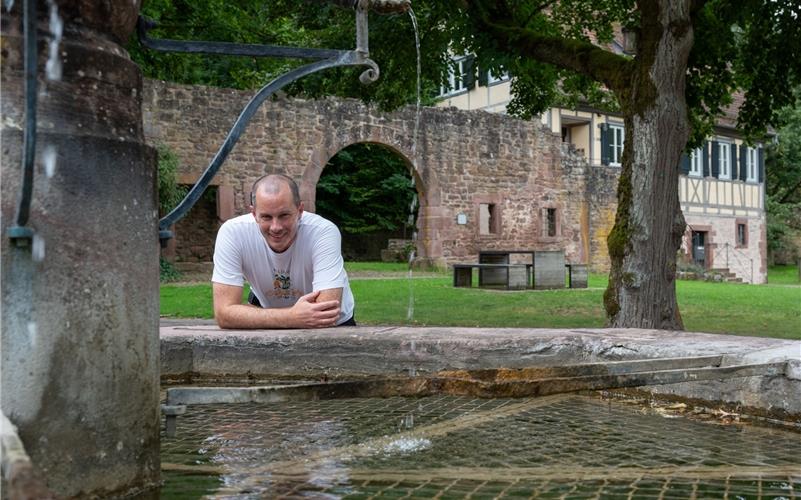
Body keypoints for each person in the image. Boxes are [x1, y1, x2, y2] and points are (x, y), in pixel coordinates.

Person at [211, 174, 355, 328]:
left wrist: (255, 316)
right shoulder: (233, 233)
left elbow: (326, 311)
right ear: (254, 214)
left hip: (333, 327)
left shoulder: (323, 232)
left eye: (284, 215)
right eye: (266, 217)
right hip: (273, 322)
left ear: (300, 210)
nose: (276, 227)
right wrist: (291, 317)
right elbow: (224, 313)